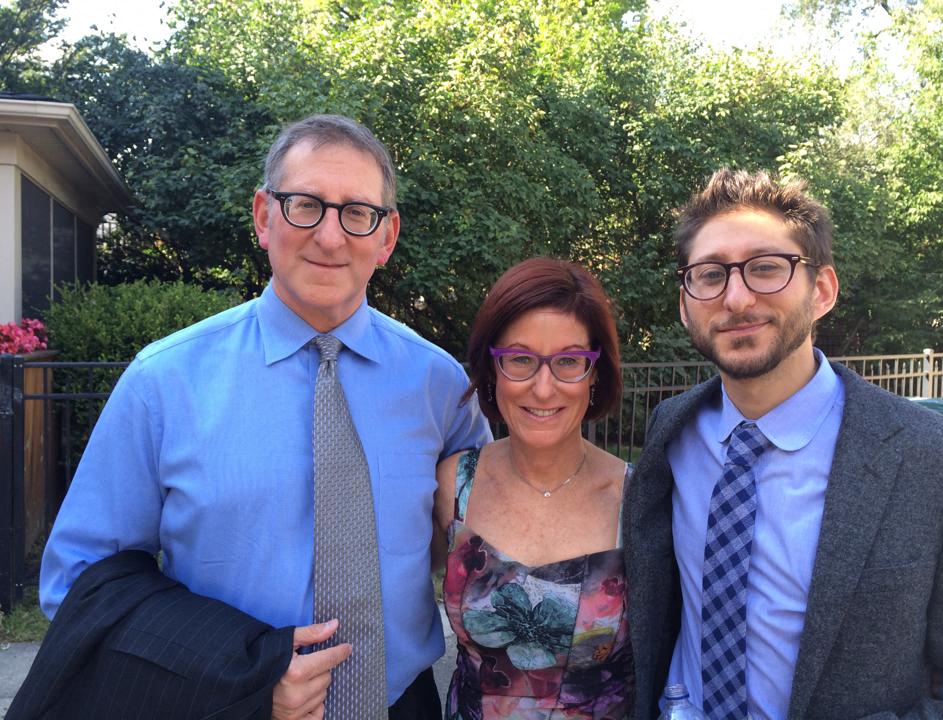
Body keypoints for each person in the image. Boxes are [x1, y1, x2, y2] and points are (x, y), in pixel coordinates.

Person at [38, 114, 492, 718]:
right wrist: (238, 668)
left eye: (358, 213)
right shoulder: (164, 382)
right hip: (224, 704)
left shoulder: (441, 387)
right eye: (306, 204)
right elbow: (80, 581)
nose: (331, 237)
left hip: (400, 704)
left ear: (387, 237)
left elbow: (482, 541)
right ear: (263, 216)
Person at [624, 168, 943, 719]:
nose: (735, 298)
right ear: (686, 303)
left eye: (765, 268)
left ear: (822, 290)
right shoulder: (672, 430)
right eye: (710, 275)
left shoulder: (932, 457)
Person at [432, 257, 638, 718]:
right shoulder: (451, 486)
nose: (543, 389)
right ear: (492, 369)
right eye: (520, 359)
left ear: (595, 372)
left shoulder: (637, 497)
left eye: (568, 361)